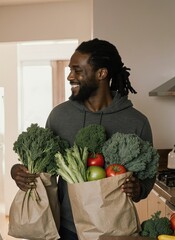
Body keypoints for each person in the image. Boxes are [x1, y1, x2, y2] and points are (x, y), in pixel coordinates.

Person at [11, 38, 156, 239]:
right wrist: (18, 171)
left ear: (101, 73)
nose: (70, 76)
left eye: (78, 70)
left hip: (115, 230)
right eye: (70, 70)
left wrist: (139, 188)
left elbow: (147, 179)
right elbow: (45, 170)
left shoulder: (136, 121)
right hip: (66, 227)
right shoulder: (59, 116)